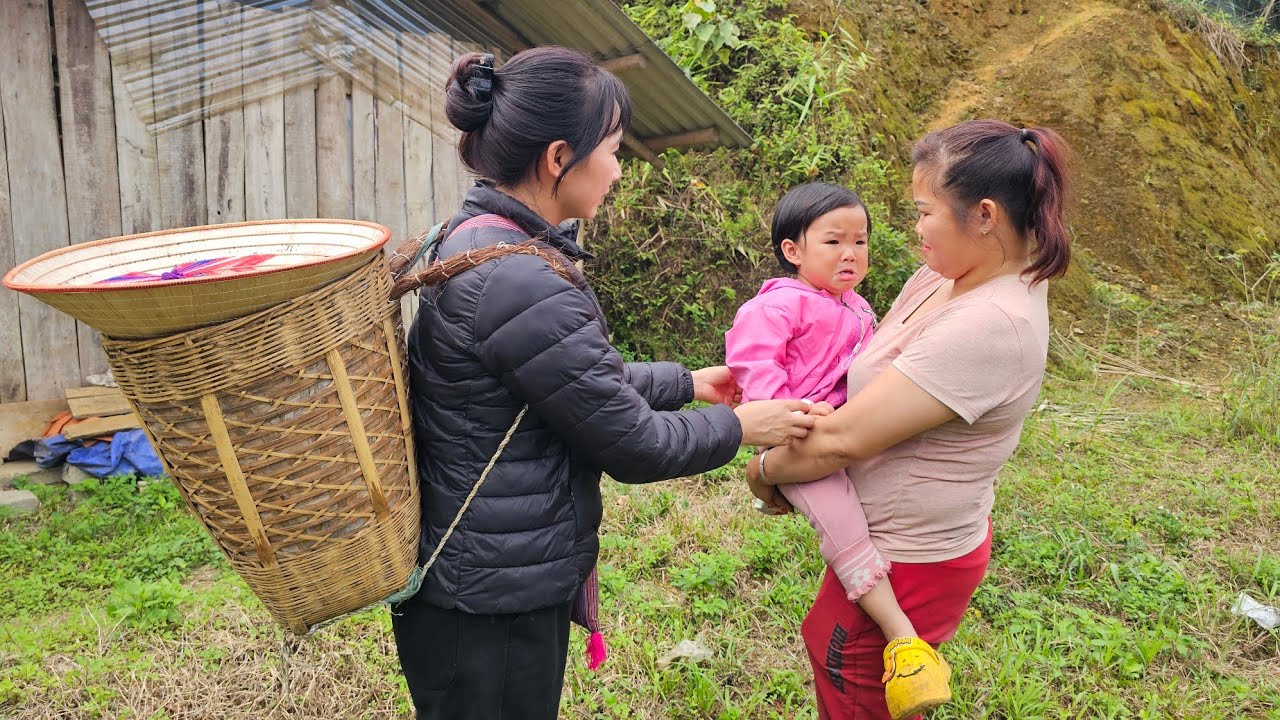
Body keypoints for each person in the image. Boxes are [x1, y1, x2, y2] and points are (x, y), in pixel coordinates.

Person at [392, 47, 816, 720]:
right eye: (613, 150)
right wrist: (742, 427)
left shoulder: (477, 237)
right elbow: (633, 444)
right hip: (492, 602)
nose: (619, 168)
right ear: (559, 157)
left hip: (481, 575)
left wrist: (689, 383)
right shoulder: (520, 278)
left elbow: (568, 380)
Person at [746, 119, 1072, 720]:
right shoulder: (946, 276)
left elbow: (842, 439)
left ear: (984, 215)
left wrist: (762, 469)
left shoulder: (991, 324)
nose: (914, 229)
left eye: (924, 212)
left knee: (857, 677)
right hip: (888, 543)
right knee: (835, 653)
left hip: (911, 556)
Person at [725, 182, 951, 718]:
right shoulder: (777, 305)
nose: (851, 253)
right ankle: (904, 643)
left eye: (861, 241)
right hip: (802, 443)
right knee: (847, 535)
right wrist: (787, 415)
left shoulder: (858, 306)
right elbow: (753, 366)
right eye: (833, 242)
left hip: (836, 439)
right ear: (793, 251)